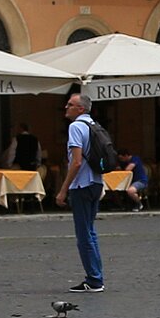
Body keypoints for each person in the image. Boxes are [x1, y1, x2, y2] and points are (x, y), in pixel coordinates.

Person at [56, 86, 106, 293]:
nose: (66, 107)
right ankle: (96, 276)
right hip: (96, 182)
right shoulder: (94, 125)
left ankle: (94, 279)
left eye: (70, 105)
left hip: (82, 184)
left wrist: (63, 189)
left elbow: (76, 162)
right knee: (90, 231)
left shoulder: (76, 127)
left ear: (80, 109)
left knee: (84, 234)